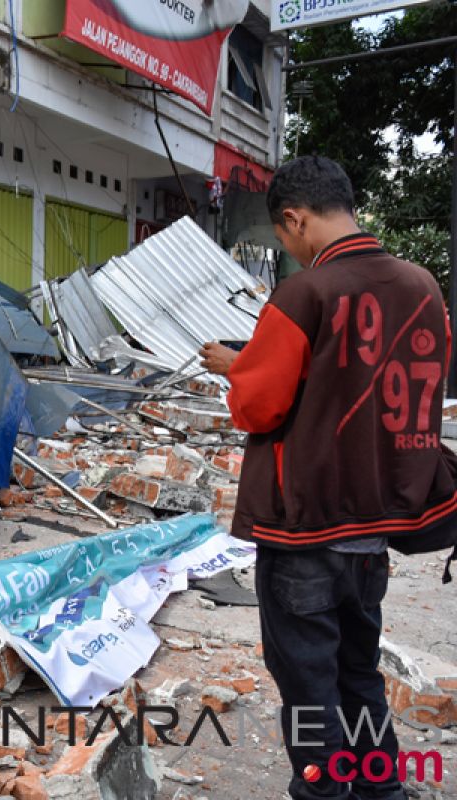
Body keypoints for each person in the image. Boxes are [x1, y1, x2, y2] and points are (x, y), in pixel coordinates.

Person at [199, 155, 456, 800]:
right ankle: (382, 789)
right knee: (358, 673)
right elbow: (367, 386)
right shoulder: (424, 287)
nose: (288, 249)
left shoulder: (303, 293)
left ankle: (321, 792)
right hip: (374, 534)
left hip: (305, 535)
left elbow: (261, 408)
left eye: (284, 238)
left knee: (309, 688)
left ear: (295, 218)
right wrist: (254, 359)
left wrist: (238, 368)